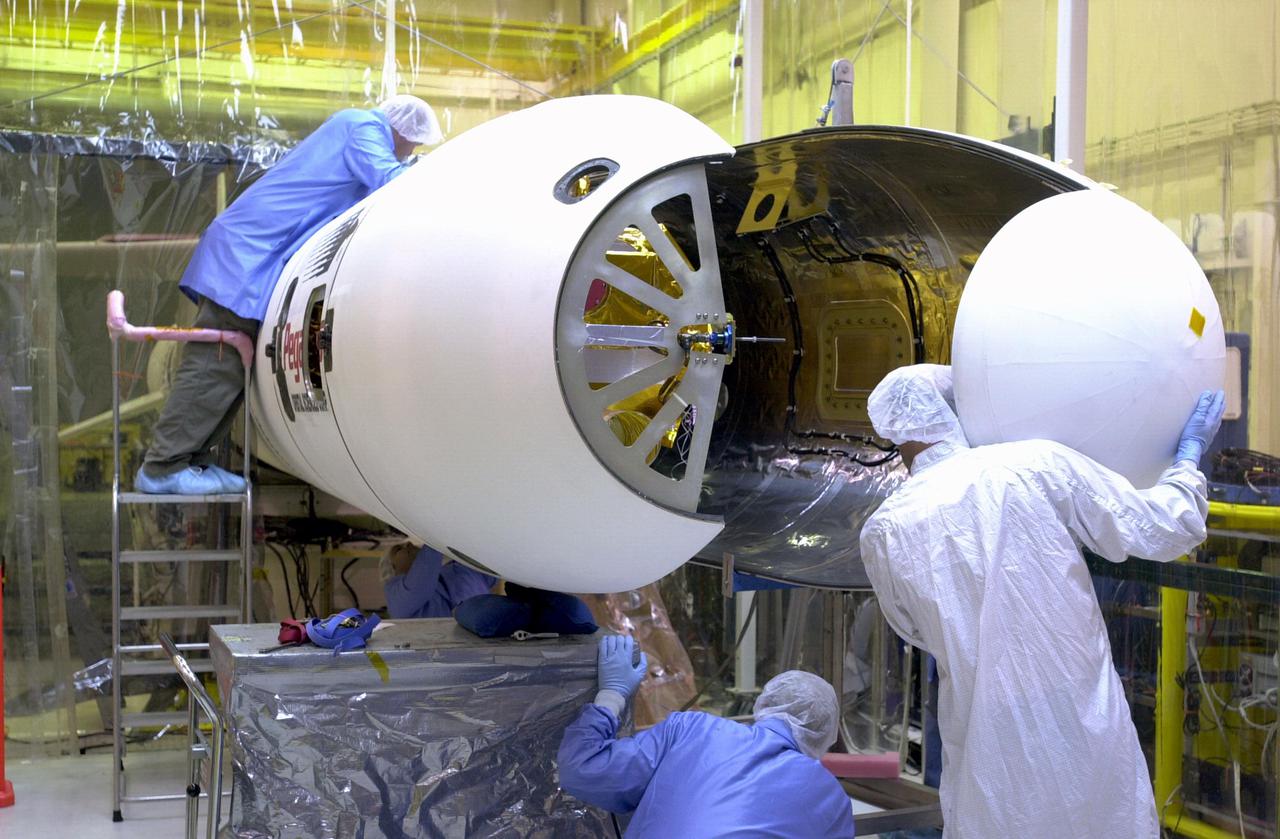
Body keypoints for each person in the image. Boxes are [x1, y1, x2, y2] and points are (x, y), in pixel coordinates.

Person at [858, 364, 1224, 838]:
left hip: (985, 726)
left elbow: (914, 630)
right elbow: (1164, 528)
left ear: (894, 434)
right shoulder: (1031, 465)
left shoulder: (884, 531)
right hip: (1077, 714)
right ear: (959, 407)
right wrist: (1187, 459)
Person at [135, 95, 443, 495]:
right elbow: (391, 181)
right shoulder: (363, 127)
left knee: (229, 368)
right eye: (414, 144)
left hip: (254, 254)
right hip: (247, 252)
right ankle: (162, 467)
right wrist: (437, 171)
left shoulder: (356, 131)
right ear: (403, 130)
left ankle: (188, 461)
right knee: (215, 363)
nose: (410, 151)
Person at [557, 635, 855, 838]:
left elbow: (582, 768)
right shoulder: (830, 797)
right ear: (824, 738)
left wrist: (612, 694)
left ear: (763, 704)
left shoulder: (691, 730)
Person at [380, 543, 496, 619]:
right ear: (393, 565)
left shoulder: (449, 572)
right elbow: (421, 581)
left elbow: (489, 571)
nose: (409, 544)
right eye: (399, 549)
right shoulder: (395, 598)